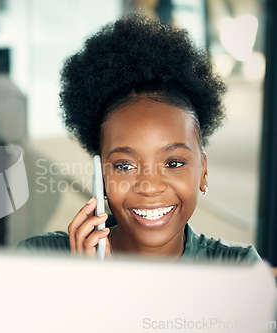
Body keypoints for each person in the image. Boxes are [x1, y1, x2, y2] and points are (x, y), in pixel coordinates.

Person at [18, 14, 261, 263]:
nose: (150, 186)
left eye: (173, 163)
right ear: (101, 176)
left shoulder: (240, 267)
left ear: (203, 171)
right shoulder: (39, 258)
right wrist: (88, 285)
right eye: (124, 165)